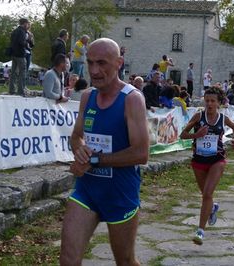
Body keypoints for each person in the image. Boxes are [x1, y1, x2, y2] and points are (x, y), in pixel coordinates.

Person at [60, 38, 149, 266]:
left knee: (125, 261)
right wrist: (79, 151)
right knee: (68, 261)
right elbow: (76, 136)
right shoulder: (88, 97)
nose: (94, 71)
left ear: (119, 63)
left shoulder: (132, 99)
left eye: (102, 63)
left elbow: (141, 153)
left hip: (120, 194)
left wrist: (96, 160)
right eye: (90, 63)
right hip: (87, 191)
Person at [180, 87, 234, 245]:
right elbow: (182, 135)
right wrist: (196, 135)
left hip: (217, 160)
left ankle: (200, 231)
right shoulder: (199, 117)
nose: (209, 104)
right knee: (206, 196)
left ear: (219, 103)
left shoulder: (223, 119)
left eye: (213, 101)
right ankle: (212, 209)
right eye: (207, 100)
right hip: (199, 160)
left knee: (207, 194)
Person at [9, 18, 30, 96]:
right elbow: (21, 42)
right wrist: (27, 44)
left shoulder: (14, 31)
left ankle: (11, 90)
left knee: (13, 73)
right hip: (20, 55)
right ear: (24, 23)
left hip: (14, 54)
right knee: (22, 73)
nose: (28, 25)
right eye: (27, 24)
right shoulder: (22, 31)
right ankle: (20, 91)